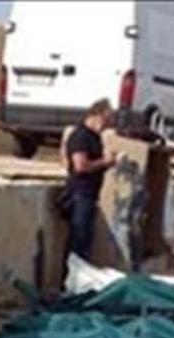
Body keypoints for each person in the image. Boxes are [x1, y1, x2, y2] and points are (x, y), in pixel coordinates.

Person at [62, 99, 118, 262]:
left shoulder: (94, 137)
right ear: (96, 116)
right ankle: (72, 283)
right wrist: (105, 162)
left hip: (90, 195)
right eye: (106, 120)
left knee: (85, 243)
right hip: (80, 195)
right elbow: (81, 166)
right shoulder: (81, 136)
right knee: (78, 242)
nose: (106, 126)